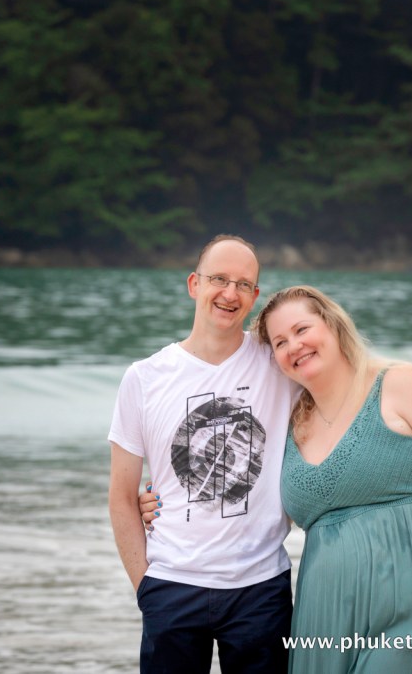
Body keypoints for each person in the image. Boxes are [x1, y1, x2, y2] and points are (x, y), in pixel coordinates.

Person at [251, 285, 412, 673]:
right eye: (280, 342)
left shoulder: (399, 384)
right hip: (324, 615)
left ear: (332, 324)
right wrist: (156, 504)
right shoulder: (289, 422)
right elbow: (245, 497)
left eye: (301, 330)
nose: (293, 346)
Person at [107, 235, 302, 673]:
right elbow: (121, 496)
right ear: (194, 284)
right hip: (172, 584)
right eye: (219, 279)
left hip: (261, 587)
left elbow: (350, 396)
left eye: (243, 284)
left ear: (254, 297)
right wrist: (146, 588)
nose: (229, 294)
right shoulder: (144, 378)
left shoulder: (280, 362)